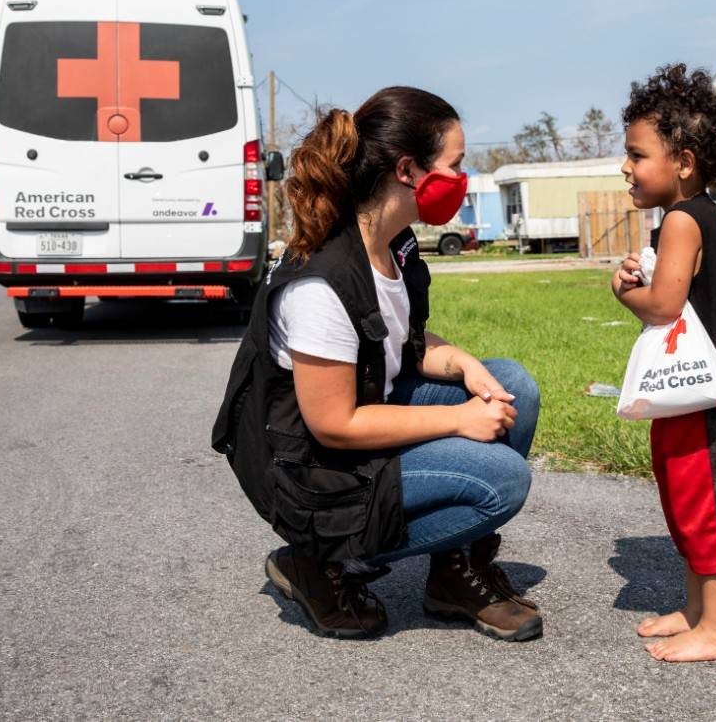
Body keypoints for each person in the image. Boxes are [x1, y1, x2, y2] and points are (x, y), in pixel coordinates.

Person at [212, 86, 542, 642]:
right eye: (456, 165)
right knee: (502, 482)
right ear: (410, 170)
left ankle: (453, 574)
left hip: (366, 418)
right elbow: (334, 423)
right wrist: (459, 420)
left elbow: (401, 341)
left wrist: (461, 362)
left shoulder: (396, 244)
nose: (463, 178)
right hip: (316, 475)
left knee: (512, 385)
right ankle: (320, 561)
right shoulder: (322, 282)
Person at [610, 64, 716, 663]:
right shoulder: (697, 214)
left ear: (684, 162)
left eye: (636, 154)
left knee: (712, 507)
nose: (625, 167)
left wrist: (623, 293)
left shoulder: (679, 219)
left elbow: (664, 307)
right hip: (698, 392)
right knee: (689, 504)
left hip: (712, 399)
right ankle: (698, 610)